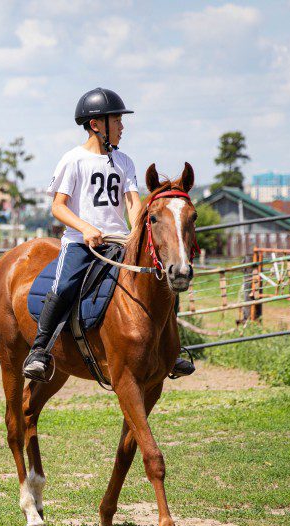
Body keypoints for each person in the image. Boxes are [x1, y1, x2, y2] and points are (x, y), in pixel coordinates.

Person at [23, 87, 195, 382]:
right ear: (95, 125)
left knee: (161, 282)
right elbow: (58, 207)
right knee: (63, 287)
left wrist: (137, 231)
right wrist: (86, 228)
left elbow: (133, 203)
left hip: (118, 242)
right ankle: (39, 350)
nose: (122, 127)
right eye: (117, 121)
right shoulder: (73, 160)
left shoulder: (124, 161)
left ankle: (170, 350)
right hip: (81, 243)